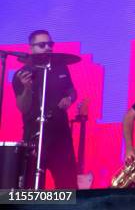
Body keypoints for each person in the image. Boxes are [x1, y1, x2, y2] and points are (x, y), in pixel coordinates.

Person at [12, 29, 78, 189]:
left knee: (68, 186)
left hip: (61, 135)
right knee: (32, 187)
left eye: (50, 44)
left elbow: (72, 90)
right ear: (31, 48)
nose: (48, 47)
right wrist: (26, 88)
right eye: (42, 45)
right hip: (35, 135)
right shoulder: (22, 74)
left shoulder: (61, 67)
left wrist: (69, 99)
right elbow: (23, 107)